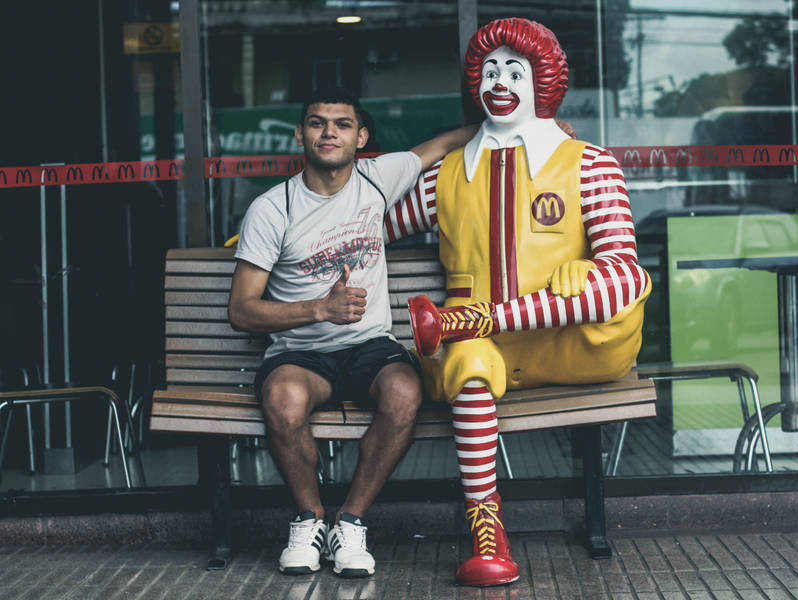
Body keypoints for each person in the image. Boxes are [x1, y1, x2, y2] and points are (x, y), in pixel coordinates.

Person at [384, 18, 651, 586]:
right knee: (469, 366)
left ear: (544, 80)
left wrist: (572, 283)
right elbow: (367, 225)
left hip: (573, 344)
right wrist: (279, 228)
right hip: (478, 351)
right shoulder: (446, 177)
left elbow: (625, 276)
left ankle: (473, 320)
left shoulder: (590, 164)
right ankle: (488, 527)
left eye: (514, 69)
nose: (497, 80)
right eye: (488, 69)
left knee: (603, 283)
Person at [227, 86, 479, 578]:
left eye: (342, 124)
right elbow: (241, 310)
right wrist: (318, 308)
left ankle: (351, 521)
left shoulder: (378, 177)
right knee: (283, 401)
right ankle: (308, 519)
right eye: (317, 123)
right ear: (300, 134)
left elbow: (448, 143)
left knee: (406, 394)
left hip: (369, 347)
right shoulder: (272, 208)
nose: (329, 132)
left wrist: (542, 128)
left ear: (361, 137)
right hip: (301, 354)